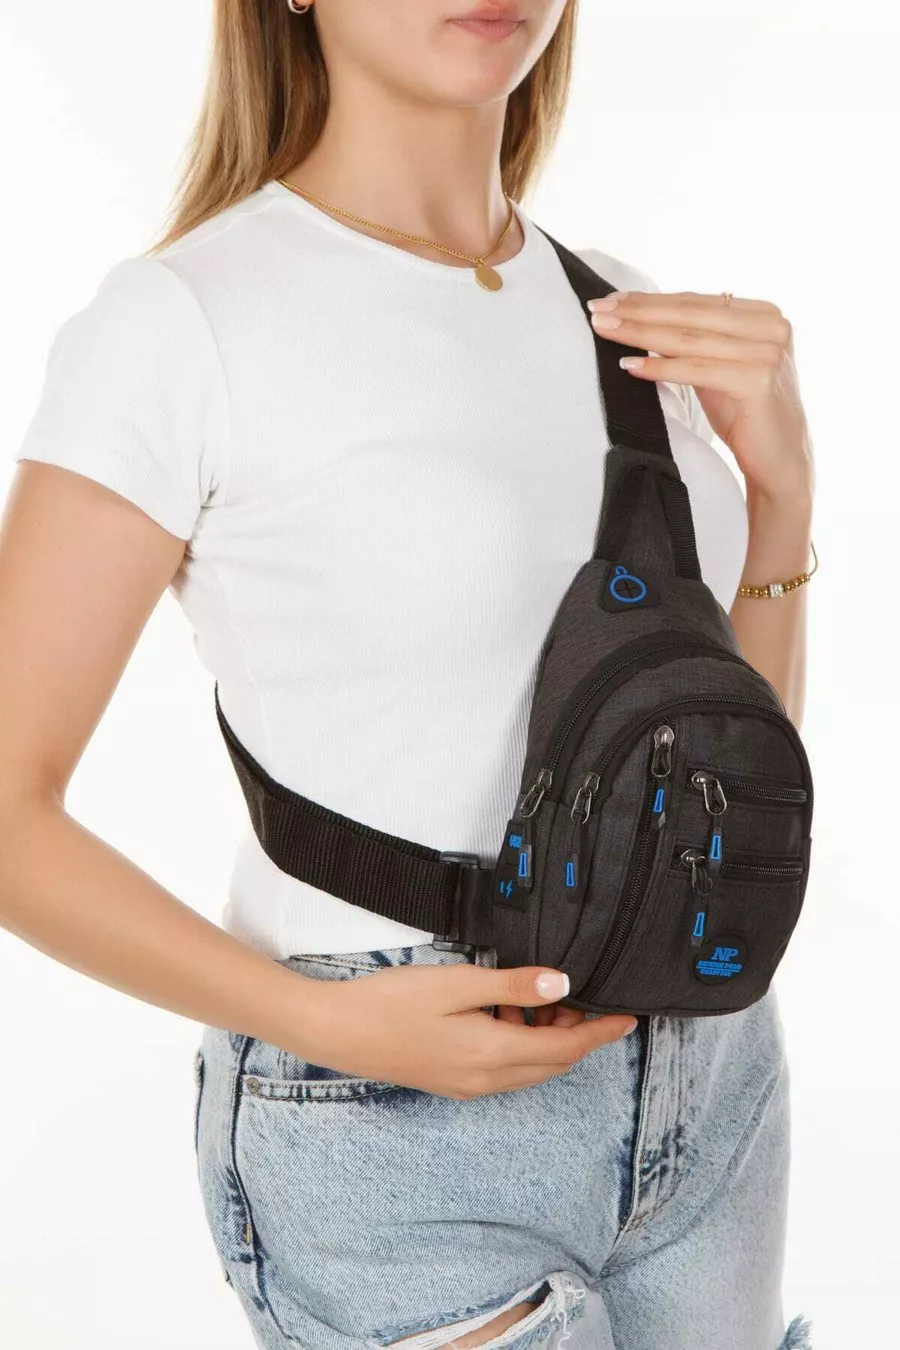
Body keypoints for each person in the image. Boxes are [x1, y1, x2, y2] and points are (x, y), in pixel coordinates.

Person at [0, 2, 817, 1347]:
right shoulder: (184, 322)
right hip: (393, 1113)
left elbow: (722, 774)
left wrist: (780, 500)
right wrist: (326, 1025)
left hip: (711, 1072)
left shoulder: (629, 315)